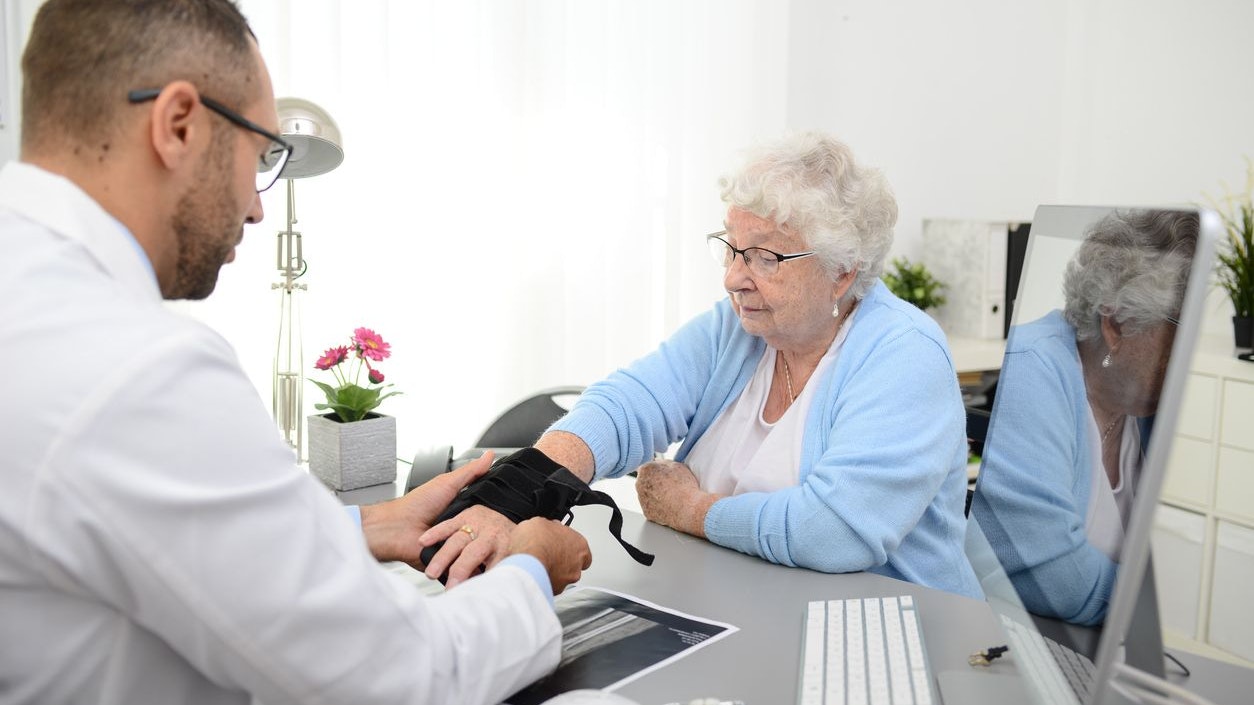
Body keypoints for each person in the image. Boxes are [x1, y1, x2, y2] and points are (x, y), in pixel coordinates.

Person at [0, 2, 591, 704]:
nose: (257, 206)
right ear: (178, 124)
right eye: (261, 154)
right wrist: (531, 569)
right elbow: (398, 677)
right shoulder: (139, 369)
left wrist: (363, 524)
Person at [422, 132, 982, 599]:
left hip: (885, 632)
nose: (734, 278)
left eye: (765, 257)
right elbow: (627, 405)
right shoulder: (739, 327)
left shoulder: (904, 356)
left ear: (841, 272)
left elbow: (833, 532)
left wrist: (691, 509)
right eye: (732, 247)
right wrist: (512, 496)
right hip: (742, 604)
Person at [970, 209, 1198, 626]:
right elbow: (1059, 583)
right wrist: (1153, 601)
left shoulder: (1143, 404)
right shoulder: (1031, 368)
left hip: (1097, 640)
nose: (1188, 354)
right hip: (1011, 635)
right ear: (1116, 324)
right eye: (1178, 329)